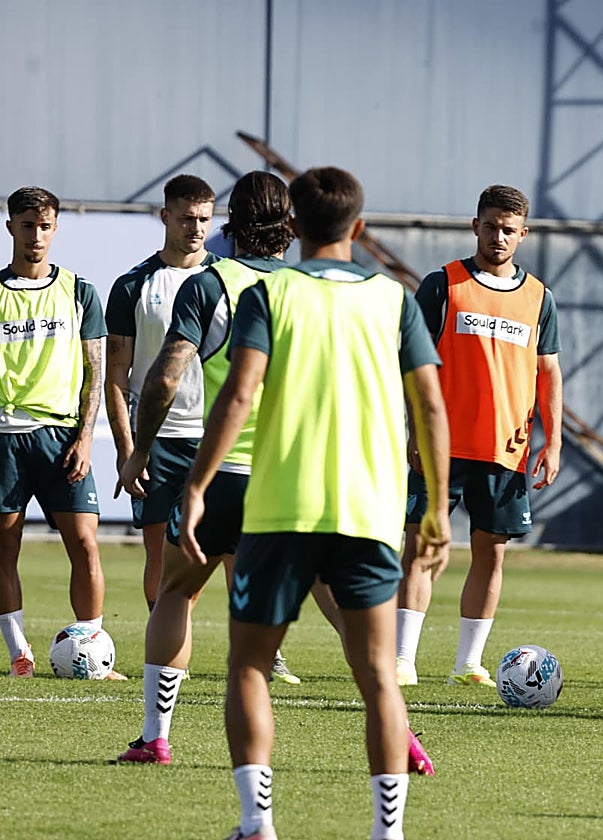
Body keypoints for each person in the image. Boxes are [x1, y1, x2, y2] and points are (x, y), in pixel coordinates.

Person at [177, 166, 450, 840]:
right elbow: (432, 406)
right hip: (369, 513)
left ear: (293, 227)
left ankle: (257, 824)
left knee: (248, 665)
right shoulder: (395, 300)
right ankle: (388, 833)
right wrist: (440, 509)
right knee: (378, 676)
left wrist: (196, 485)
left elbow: (239, 396)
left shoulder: (271, 295)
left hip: (279, 510)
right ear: (359, 229)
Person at [114, 172, 348, 765]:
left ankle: (156, 737)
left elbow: (164, 376)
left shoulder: (208, 284)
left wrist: (140, 449)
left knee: (176, 589)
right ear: (288, 226)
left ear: (230, 222)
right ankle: (397, 728)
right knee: (337, 599)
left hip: (219, 472)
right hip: (292, 476)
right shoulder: (310, 289)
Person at [394, 184, 562, 688]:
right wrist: (414, 428)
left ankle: (469, 662)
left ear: (523, 234)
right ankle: (403, 659)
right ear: (475, 226)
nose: (498, 237)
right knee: (420, 549)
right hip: (442, 444)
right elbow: (413, 362)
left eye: (509, 230)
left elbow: (548, 372)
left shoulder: (539, 298)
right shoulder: (442, 284)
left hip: (506, 449)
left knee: (491, 553)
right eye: (490, 226)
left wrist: (551, 441)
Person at [0, 187, 118, 679]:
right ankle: (19, 654)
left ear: (55, 229)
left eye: (45, 226)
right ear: (11, 228)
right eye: (27, 226)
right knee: (5, 550)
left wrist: (86, 437)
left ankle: (90, 643)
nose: (36, 236)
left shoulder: (78, 290)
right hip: (5, 436)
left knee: (86, 545)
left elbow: (96, 368)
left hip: (61, 437)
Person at [105, 174, 216, 613]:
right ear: (165, 216)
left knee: (217, 549)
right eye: (188, 218)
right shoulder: (133, 285)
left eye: (205, 219)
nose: (197, 228)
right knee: (160, 551)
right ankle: (165, 641)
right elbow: (116, 373)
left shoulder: (224, 280)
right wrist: (127, 446)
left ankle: (267, 651)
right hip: (157, 441)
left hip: (216, 436)